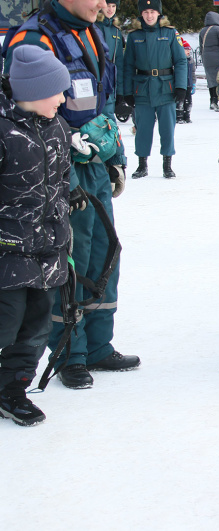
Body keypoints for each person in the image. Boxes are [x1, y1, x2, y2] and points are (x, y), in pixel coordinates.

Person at [5, 0, 139, 390]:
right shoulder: (33, 40)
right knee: (70, 263)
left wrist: (115, 157)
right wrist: (58, 176)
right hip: (60, 168)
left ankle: (98, 345)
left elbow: (105, 102)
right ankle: (70, 352)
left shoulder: (92, 31)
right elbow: (24, 118)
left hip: (94, 162)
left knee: (103, 254)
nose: (103, 4)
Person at [0, 46, 72, 426]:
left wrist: (66, 205)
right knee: (6, 320)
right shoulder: (5, 130)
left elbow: (62, 179)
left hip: (48, 247)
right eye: (56, 92)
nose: (63, 99)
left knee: (37, 324)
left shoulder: (58, 127)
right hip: (8, 250)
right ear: (31, 92)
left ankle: (13, 389)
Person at [123, 0, 188, 180]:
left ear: (159, 14)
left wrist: (181, 86)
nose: (149, 15)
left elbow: (181, 61)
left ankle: (167, 165)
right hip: (142, 88)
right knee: (143, 128)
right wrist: (127, 91)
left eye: (153, 12)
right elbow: (128, 65)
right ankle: (142, 164)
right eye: (146, 12)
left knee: (167, 128)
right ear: (141, 14)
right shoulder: (134, 36)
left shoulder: (169, 33)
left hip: (165, 88)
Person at [97, 0, 126, 120]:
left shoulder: (116, 31)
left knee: (109, 120)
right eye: (108, 6)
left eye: (113, 6)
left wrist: (120, 91)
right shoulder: (93, 25)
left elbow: (119, 62)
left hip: (110, 85)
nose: (111, 9)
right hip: (95, 79)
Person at [198, 10, 219, 112]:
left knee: (210, 80)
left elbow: (201, 47)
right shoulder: (218, 30)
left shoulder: (202, 31)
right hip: (217, 58)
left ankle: (212, 100)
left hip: (206, 58)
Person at [176, 40, 195, 124]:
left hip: (189, 83)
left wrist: (193, 83)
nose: (188, 52)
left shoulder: (191, 60)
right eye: (186, 49)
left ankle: (187, 115)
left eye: (189, 50)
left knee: (188, 101)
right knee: (180, 101)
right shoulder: (178, 60)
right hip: (181, 84)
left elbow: (193, 72)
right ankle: (179, 116)